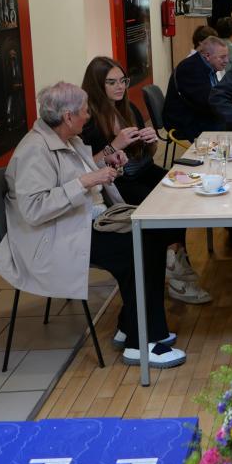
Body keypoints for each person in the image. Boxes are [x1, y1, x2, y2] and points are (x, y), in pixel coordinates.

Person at [0, 82, 185, 368]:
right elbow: (34, 209)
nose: (88, 116)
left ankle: (134, 325)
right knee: (137, 248)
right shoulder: (34, 150)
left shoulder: (66, 138)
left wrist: (106, 165)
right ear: (68, 116)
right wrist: (85, 181)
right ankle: (140, 344)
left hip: (80, 221)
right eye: (84, 111)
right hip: (53, 236)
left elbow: (78, 177)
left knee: (153, 236)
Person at [80, 57, 210, 305]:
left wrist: (151, 141)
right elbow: (86, 166)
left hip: (142, 170)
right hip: (115, 183)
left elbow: (145, 155)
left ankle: (173, 255)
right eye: (111, 82)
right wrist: (114, 145)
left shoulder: (128, 108)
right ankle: (173, 265)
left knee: (181, 194)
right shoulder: (89, 120)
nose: (120, 87)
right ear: (97, 85)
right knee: (160, 206)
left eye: (123, 80)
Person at [163, 36, 230, 142]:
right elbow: (209, 102)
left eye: (227, 56)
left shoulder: (206, 65)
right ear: (207, 55)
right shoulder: (191, 69)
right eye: (222, 57)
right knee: (229, 124)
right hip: (182, 121)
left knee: (230, 120)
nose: (227, 61)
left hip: (196, 112)